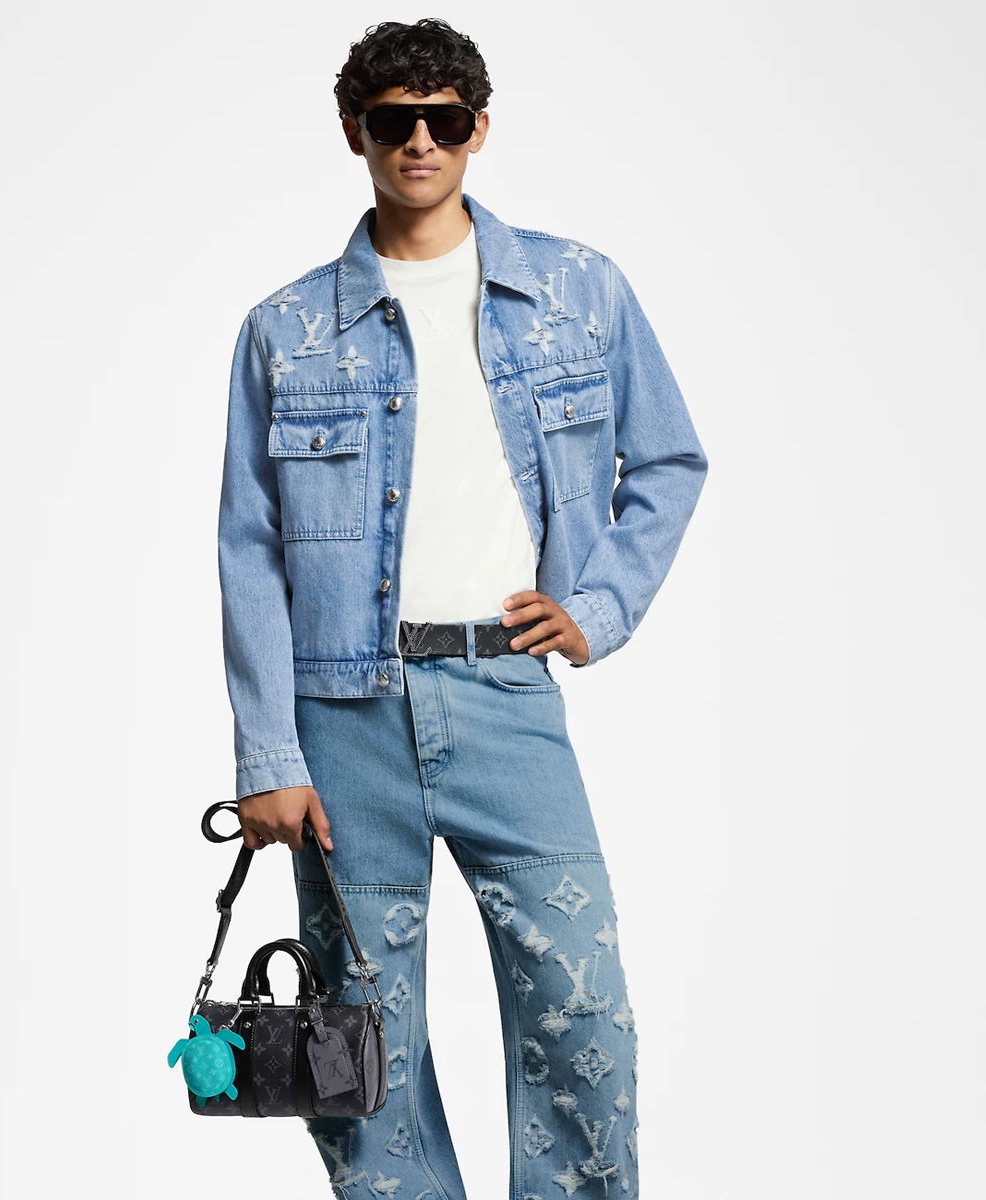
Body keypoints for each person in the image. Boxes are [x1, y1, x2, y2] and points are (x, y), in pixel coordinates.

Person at [217, 17, 708, 1198]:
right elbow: (249, 551)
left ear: (479, 129)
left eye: (444, 119)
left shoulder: (578, 292)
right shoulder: (285, 330)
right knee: (357, 1045)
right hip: (344, 720)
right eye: (396, 121)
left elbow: (670, 461)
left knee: (583, 1015)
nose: (420, 142)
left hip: (505, 697)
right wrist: (269, 754)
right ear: (357, 133)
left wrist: (597, 607)